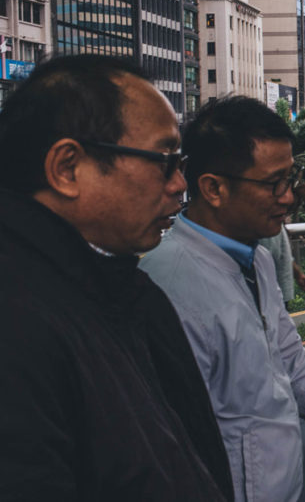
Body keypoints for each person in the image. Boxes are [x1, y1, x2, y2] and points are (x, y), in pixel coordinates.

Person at [140, 97, 305, 501]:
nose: (288, 198)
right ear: (213, 187)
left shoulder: (258, 260)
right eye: (274, 184)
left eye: (291, 178)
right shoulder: (167, 287)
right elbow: (170, 441)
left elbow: (291, 363)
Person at [0, 55, 233, 500]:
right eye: (164, 160)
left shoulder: (116, 286)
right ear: (67, 168)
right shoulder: (18, 325)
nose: (180, 184)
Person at [258, 224, 305, 303]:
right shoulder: (262, 222)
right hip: (267, 298)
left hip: (278, 294)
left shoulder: (273, 220)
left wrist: (298, 275)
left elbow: (283, 253)